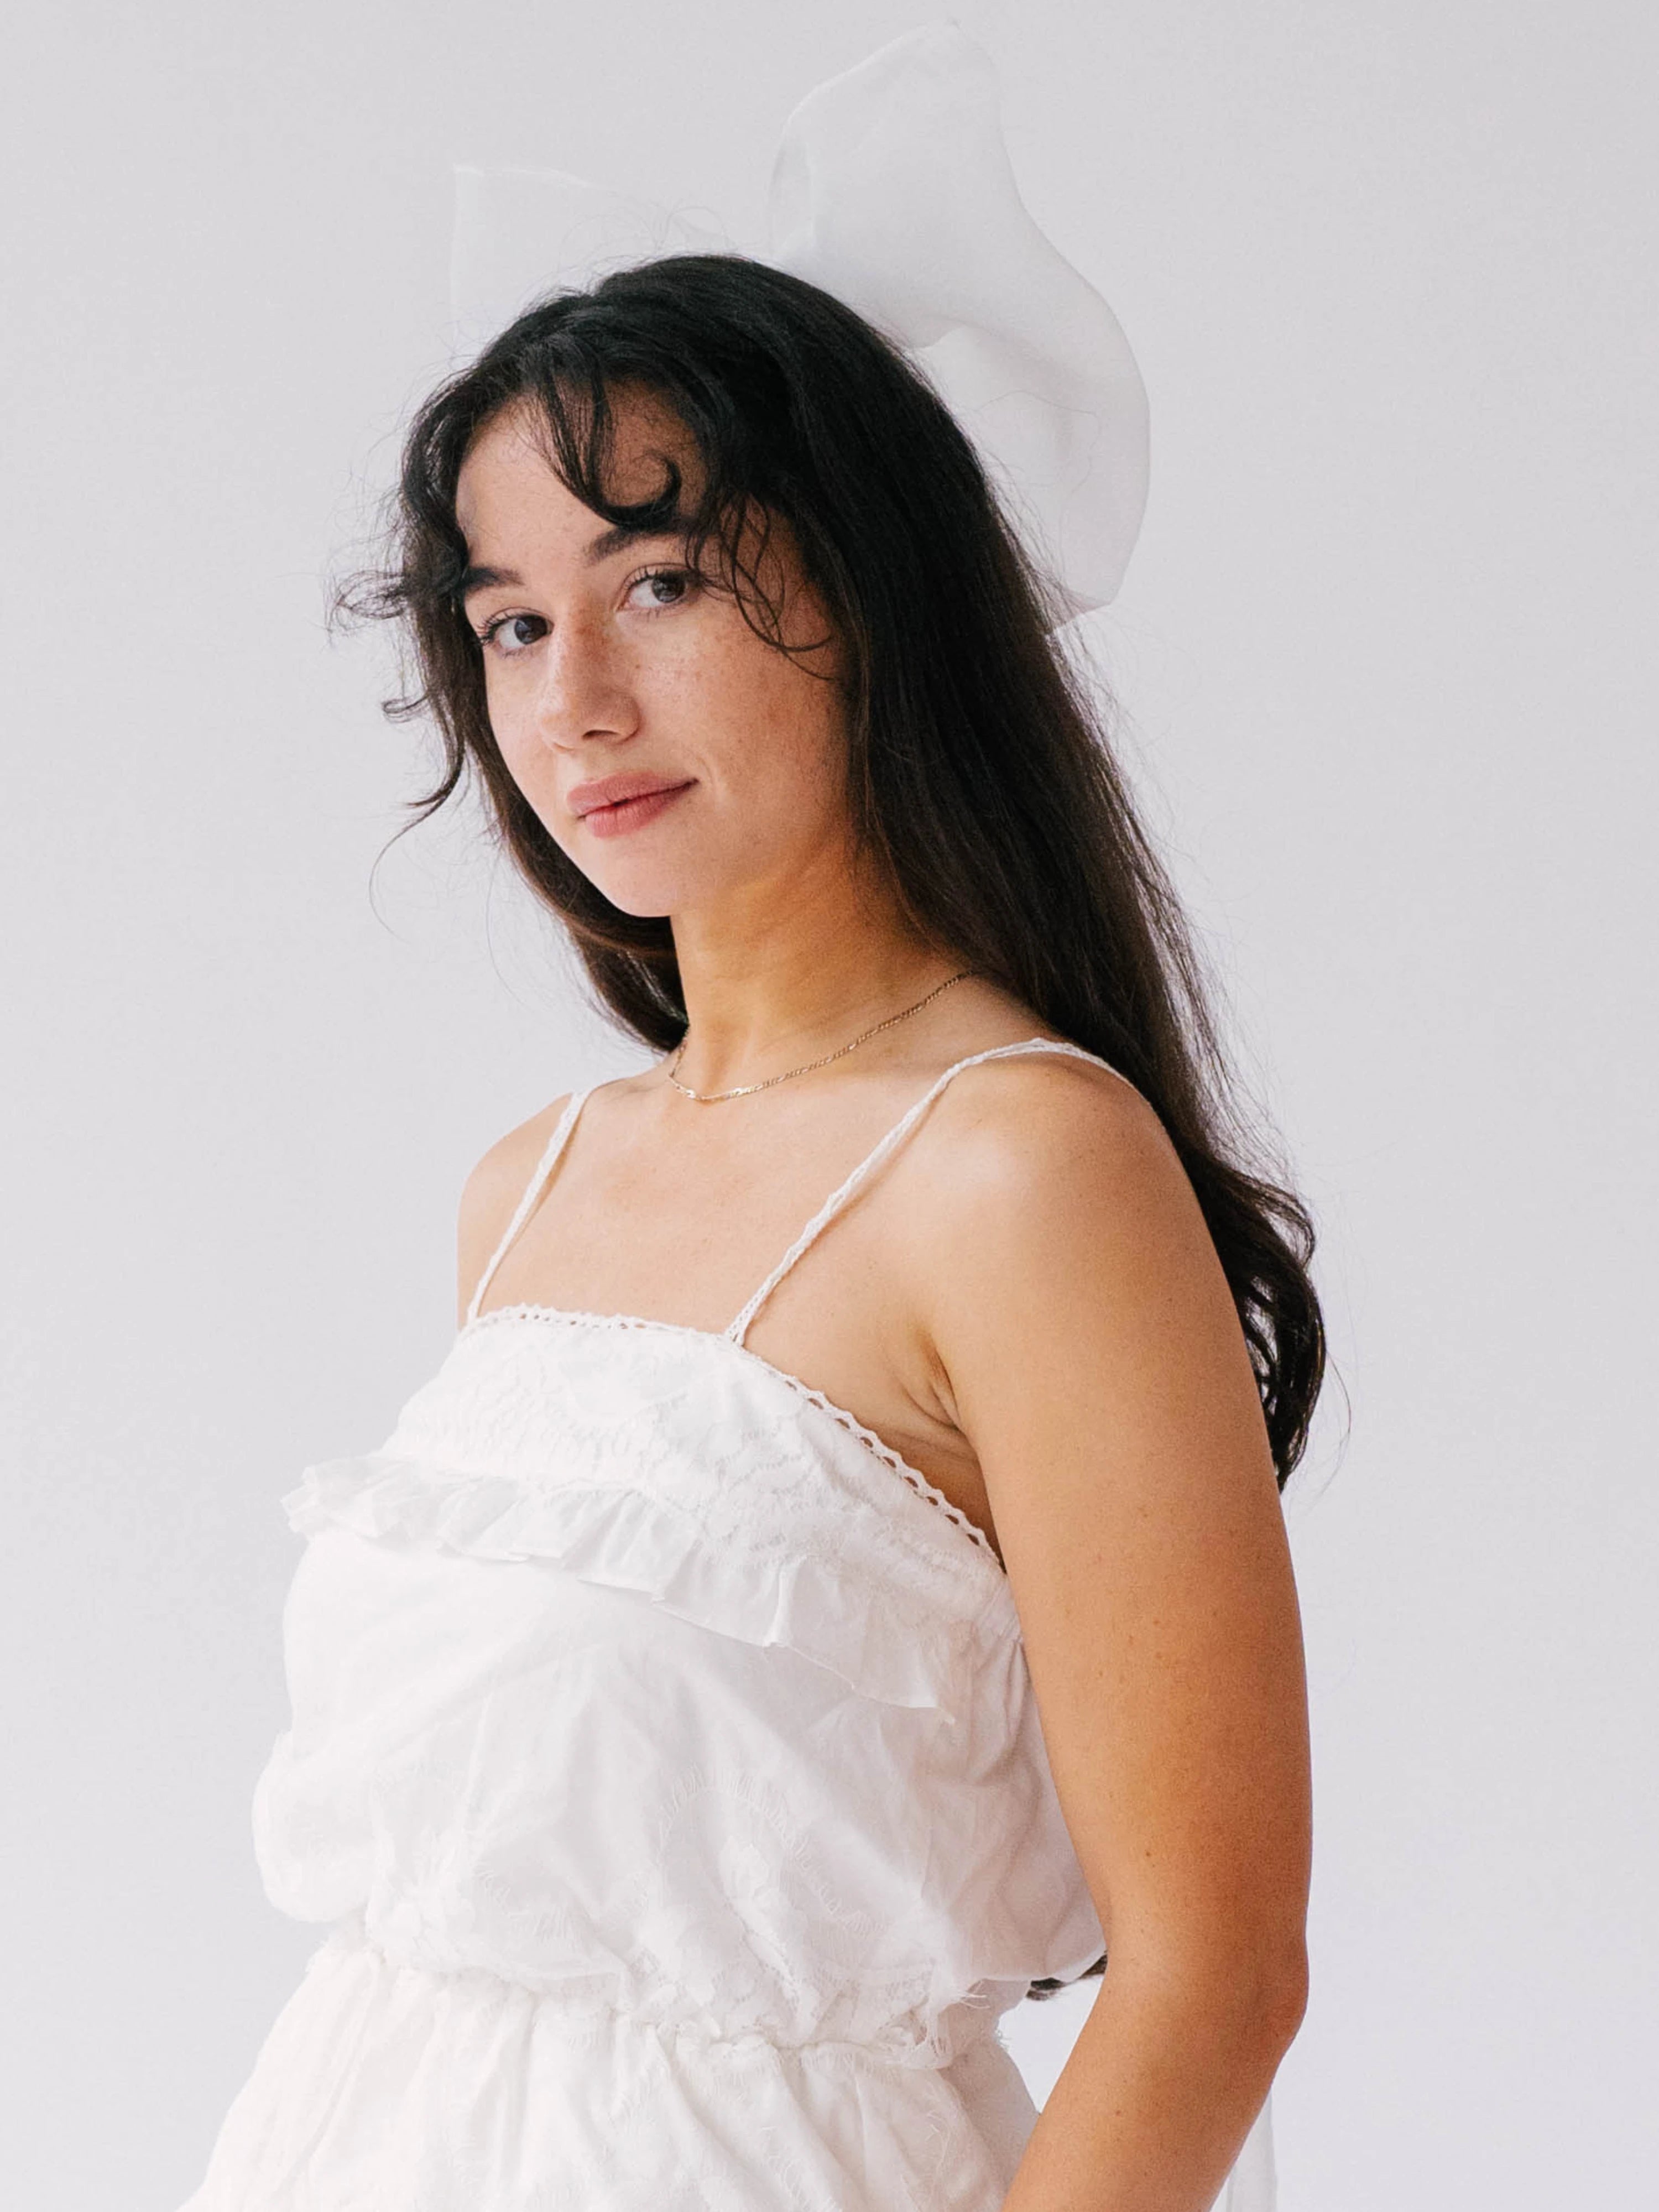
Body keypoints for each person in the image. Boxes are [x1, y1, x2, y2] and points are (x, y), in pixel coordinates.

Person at [180, 252, 1321, 2212]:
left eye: (662, 584)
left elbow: (1215, 1980)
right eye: (514, 622)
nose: (577, 701)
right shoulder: (531, 1186)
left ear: (875, 596)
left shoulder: (1018, 1165)